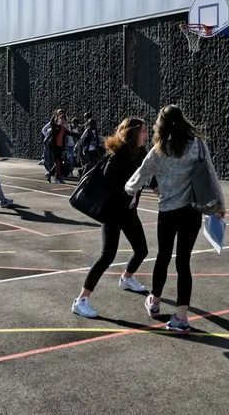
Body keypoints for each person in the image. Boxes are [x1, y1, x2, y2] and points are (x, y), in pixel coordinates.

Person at [125, 105, 225, 334]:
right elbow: (210, 173)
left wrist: (128, 189)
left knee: (163, 257)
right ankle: (181, 317)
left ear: (160, 126)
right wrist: (220, 204)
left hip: (168, 212)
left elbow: (139, 176)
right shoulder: (197, 145)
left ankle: (155, 301)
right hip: (192, 211)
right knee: (183, 263)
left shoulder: (159, 150)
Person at [72, 117, 151, 319]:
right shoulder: (120, 154)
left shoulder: (140, 152)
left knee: (142, 250)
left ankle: (126, 278)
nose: (146, 134)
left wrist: (157, 187)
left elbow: (148, 172)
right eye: (143, 130)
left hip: (128, 211)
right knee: (107, 256)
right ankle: (81, 301)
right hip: (114, 213)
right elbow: (109, 180)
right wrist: (128, 189)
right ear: (133, 133)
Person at [44, 111, 68, 183]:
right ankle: (58, 178)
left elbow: (70, 134)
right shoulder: (56, 127)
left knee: (59, 163)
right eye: (61, 120)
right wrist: (54, 116)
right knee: (58, 162)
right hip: (54, 147)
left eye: (64, 120)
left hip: (60, 147)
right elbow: (52, 124)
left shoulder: (64, 129)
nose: (62, 121)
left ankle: (49, 174)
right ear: (59, 120)